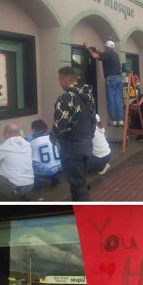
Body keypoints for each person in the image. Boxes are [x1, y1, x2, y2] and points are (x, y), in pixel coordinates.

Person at [51, 66, 96, 201]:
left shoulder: (66, 97)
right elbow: (93, 119)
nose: (59, 83)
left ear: (66, 79)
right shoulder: (88, 95)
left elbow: (60, 123)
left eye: (60, 79)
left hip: (72, 147)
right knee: (80, 179)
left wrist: (53, 136)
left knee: (76, 184)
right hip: (87, 144)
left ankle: (83, 211)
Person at [0, 124, 34, 201]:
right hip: (30, 185)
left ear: (7, 134)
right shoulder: (27, 144)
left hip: (17, 188)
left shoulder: (4, 147)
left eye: (4, 134)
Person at [83, 41, 124, 126]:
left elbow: (95, 56)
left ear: (106, 47)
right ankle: (120, 120)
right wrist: (96, 49)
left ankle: (113, 120)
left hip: (111, 79)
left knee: (111, 100)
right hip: (119, 79)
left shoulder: (107, 54)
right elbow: (101, 54)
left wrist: (87, 49)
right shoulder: (114, 54)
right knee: (118, 99)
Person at [26, 119, 62, 191]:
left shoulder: (30, 139)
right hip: (57, 168)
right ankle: (54, 180)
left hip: (43, 171)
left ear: (33, 129)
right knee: (51, 161)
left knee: (28, 159)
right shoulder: (52, 136)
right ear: (46, 128)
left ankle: (37, 185)